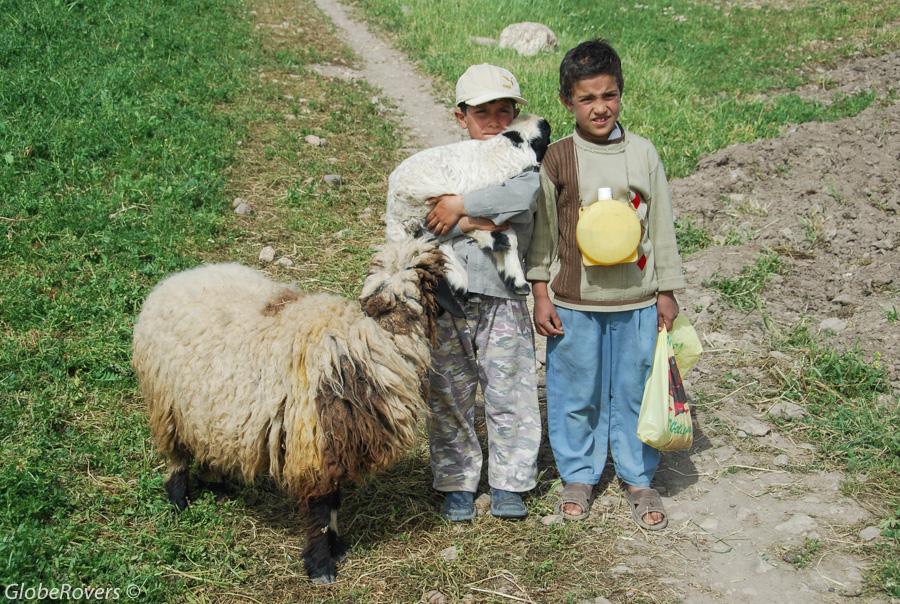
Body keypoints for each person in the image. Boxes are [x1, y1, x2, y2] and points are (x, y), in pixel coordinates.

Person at [525, 39, 686, 530]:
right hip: (574, 302)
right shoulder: (556, 158)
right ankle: (578, 474)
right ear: (566, 102)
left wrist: (666, 290)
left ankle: (639, 477)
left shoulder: (642, 154)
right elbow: (544, 231)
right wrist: (540, 291)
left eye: (609, 95)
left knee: (635, 389)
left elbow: (661, 227)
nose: (600, 107)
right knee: (575, 391)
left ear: (621, 93)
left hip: (636, 299)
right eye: (587, 98)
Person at [424, 63, 541, 521]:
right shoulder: (443, 165)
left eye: (503, 111)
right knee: (450, 388)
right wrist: (477, 221)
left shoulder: (523, 163)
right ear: (460, 116)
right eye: (482, 112)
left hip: (502, 289)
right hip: (447, 291)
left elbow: (520, 201)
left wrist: (459, 209)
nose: (494, 121)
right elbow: (422, 217)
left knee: (509, 385)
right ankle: (457, 480)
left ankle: (510, 480)